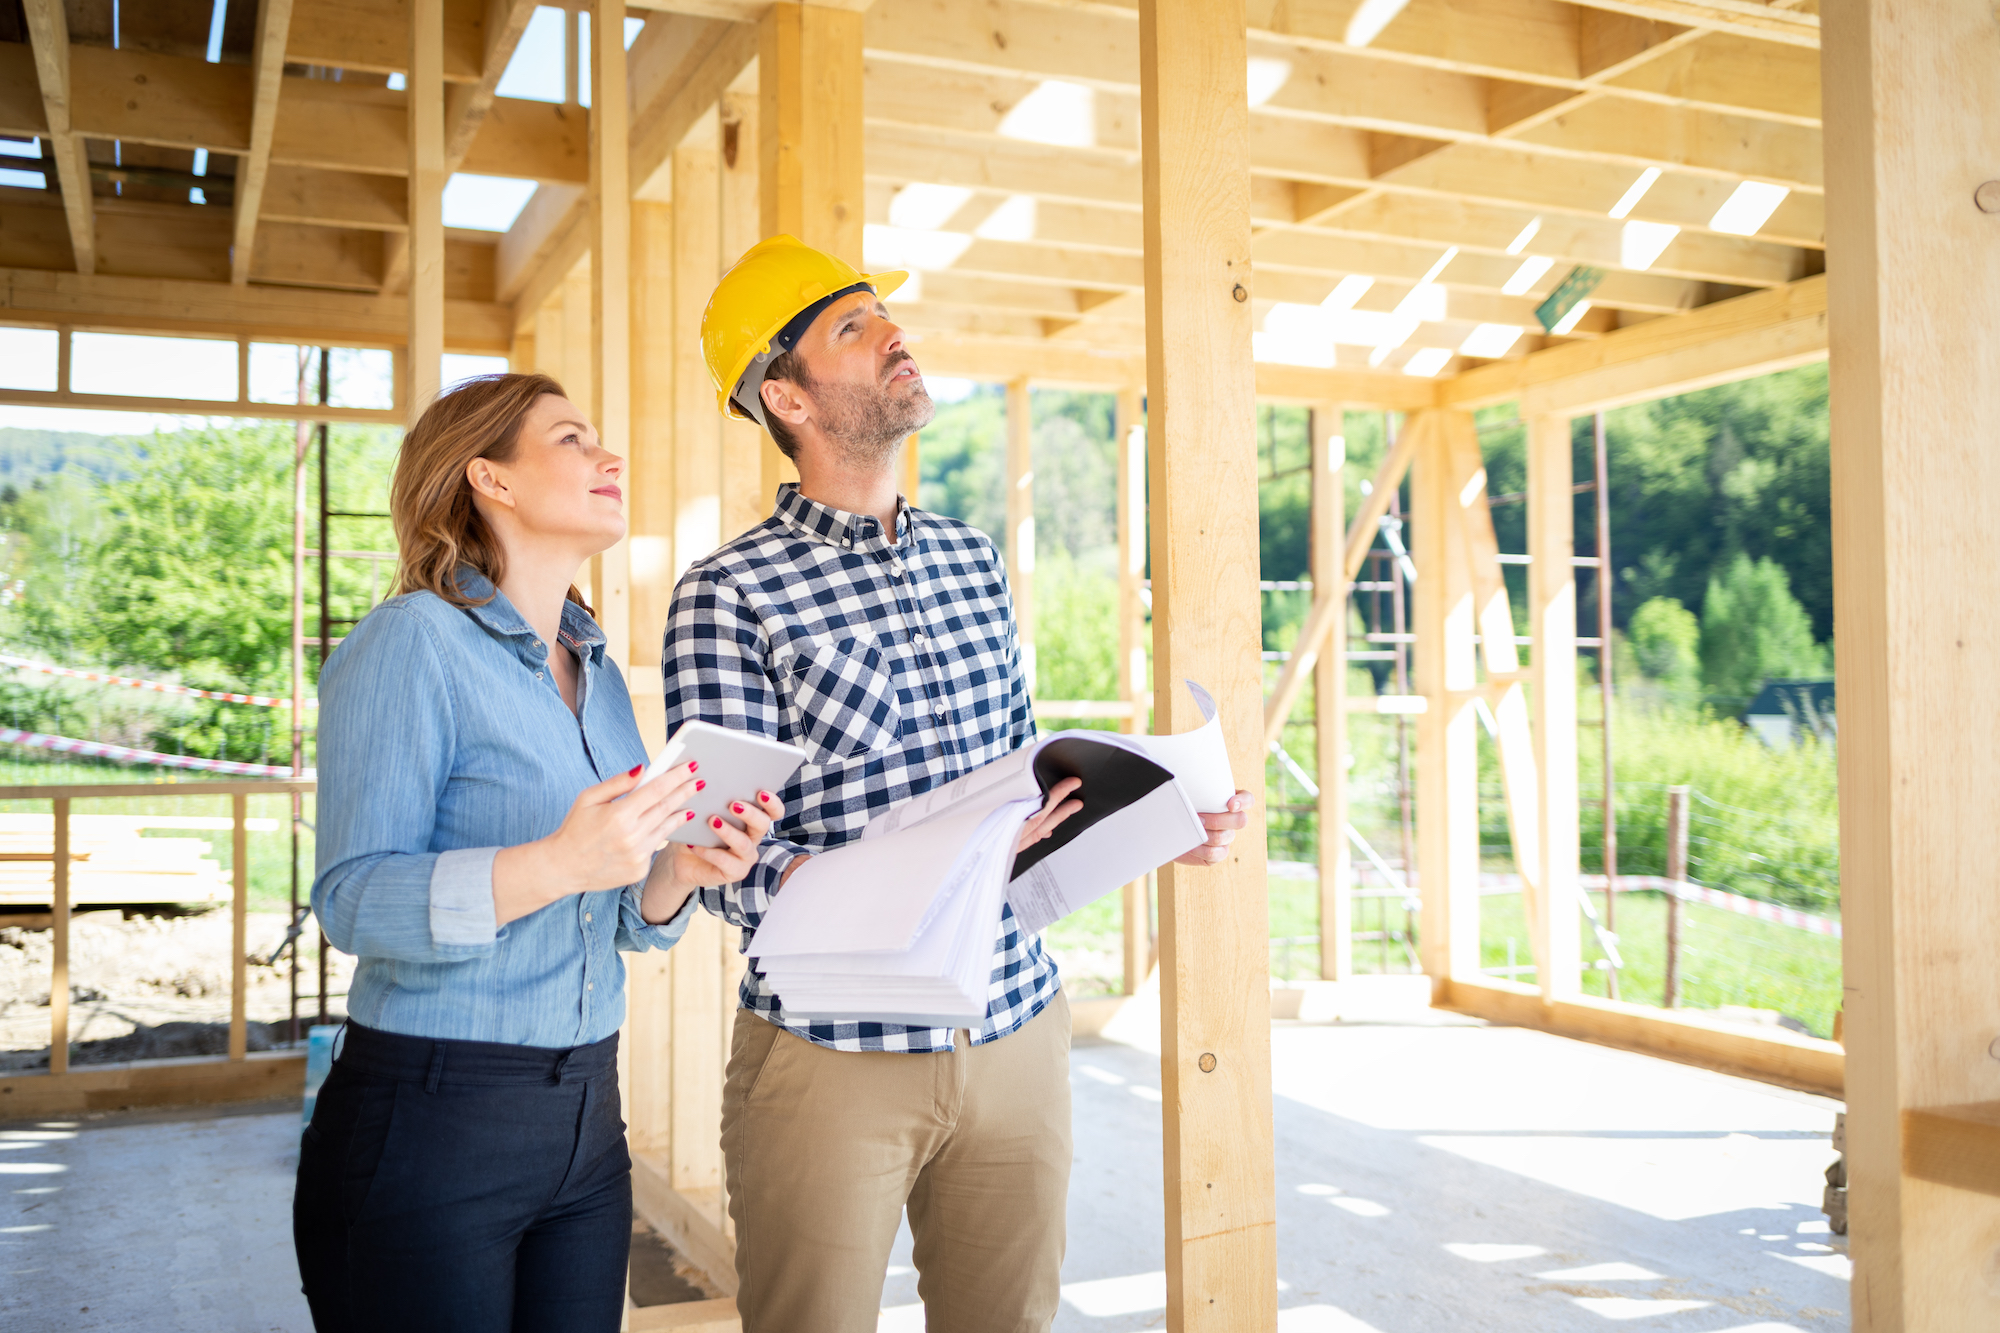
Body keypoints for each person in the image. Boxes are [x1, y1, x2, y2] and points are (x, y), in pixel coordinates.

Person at [661, 236, 1253, 1333]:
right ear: (787, 396)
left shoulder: (971, 560)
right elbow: (726, 868)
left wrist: (1154, 817)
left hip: (1016, 1026)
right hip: (833, 1059)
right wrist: (930, 871)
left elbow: (1022, 798)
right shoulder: (728, 593)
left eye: (884, 313)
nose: (894, 333)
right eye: (853, 326)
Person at [294, 373, 782, 1333]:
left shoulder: (597, 672)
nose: (610, 457)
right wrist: (557, 861)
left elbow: (619, 920)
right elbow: (350, 899)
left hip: (588, 1120)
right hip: (431, 1120)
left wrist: (677, 871)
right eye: (571, 439)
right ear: (491, 478)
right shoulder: (410, 643)